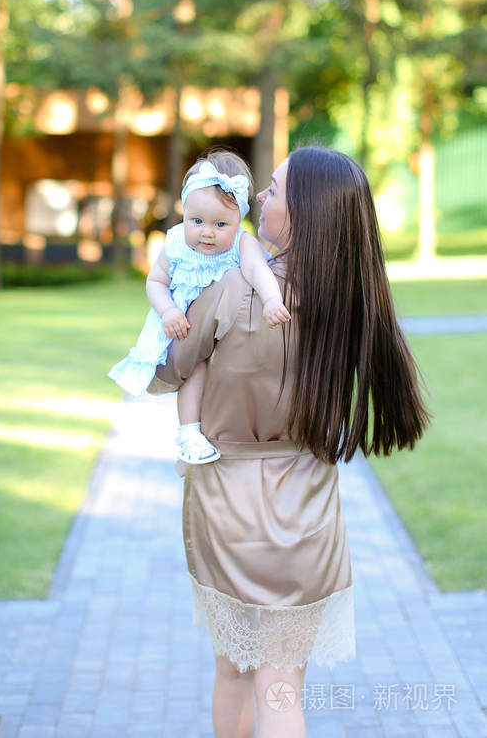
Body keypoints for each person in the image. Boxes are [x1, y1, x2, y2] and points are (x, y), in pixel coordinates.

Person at [151, 146, 430, 738]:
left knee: (233, 673)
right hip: (308, 506)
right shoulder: (351, 301)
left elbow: (171, 368)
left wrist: (170, 307)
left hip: (228, 501)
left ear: (300, 214)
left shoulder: (229, 289)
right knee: (283, 689)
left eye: (273, 191)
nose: (258, 198)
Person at [109, 150, 290, 464]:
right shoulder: (177, 241)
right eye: (197, 221)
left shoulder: (242, 243)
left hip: (224, 333)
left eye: (220, 223)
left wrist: (273, 299)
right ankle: (188, 433)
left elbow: (258, 271)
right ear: (185, 212)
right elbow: (155, 281)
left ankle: (206, 435)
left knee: (219, 373)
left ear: (239, 218)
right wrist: (167, 311)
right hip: (182, 323)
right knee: (196, 369)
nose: (207, 232)